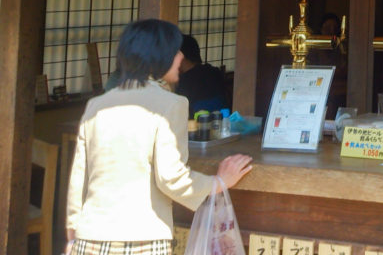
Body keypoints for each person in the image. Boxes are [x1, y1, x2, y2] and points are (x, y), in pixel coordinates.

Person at [66, 19, 251, 255]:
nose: (181, 56)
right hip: (141, 238)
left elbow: (79, 174)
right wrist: (219, 182)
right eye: (175, 50)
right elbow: (171, 178)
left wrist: (73, 230)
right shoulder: (171, 104)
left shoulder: (97, 105)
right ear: (159, 56)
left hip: (89, 236)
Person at [176, 34, 227, 115]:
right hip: (223, 122)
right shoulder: (214, 72)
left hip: (198, 124)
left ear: (180, 56)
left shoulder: (184, 82)